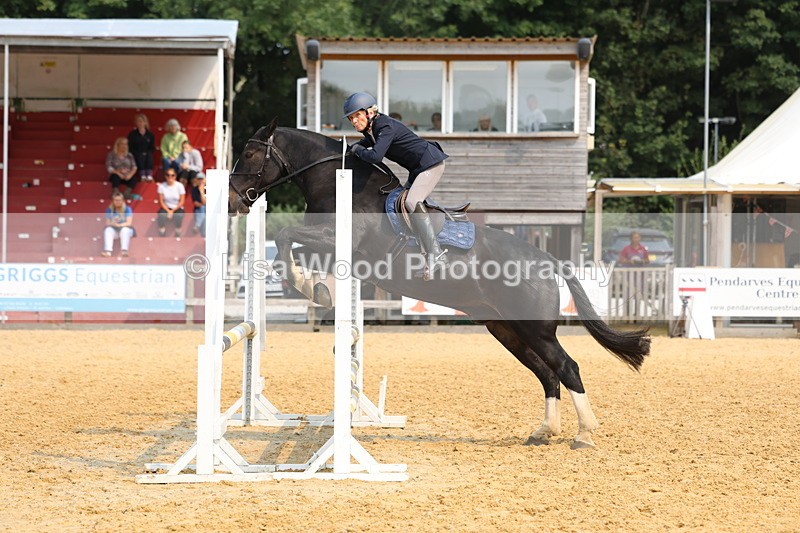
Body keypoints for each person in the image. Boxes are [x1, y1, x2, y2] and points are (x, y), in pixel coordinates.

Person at [344, 92, 449, 279]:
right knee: (398, 205)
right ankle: (423, 254)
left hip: (430, 164)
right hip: (417, 170)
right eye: (351, 118)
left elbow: (375, 156)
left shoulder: (385, 125)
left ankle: (437, 254)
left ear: (369, 113)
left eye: (357, 116)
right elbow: (362, 144)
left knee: (411, 202)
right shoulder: (373, 130)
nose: (354, 121)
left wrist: (358, 150)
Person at [102, 191, 135, 257]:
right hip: (115, 229)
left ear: (122, 200)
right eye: (116, 200)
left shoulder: (127, 209)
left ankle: (124, 251)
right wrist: (113, 223)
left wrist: (119, 225)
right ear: (113, 201)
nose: (118, 202)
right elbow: (107, 223)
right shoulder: (109, 210)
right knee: (108, 230)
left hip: (126, 229)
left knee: (124, 230)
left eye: (119, 200)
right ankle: (108, 251)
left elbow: (129, 223)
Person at [157, 168, 186, 237]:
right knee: (161, 214)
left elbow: (182, 201)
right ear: (165, 176)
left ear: (175, 176)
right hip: (166, 207)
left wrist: (172, 211)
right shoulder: (161, 186)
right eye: (168, 175)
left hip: (177, 207)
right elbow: (161, 201)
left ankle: (178, 229)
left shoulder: (180, 186)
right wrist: (168, 210)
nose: (170, 177)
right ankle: (162, 230)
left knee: (179, 215)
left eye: (172, 175)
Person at [127, 113, 156, 182]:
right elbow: (130, 146)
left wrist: (147, 152)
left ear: (145, 122)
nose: (140, 123)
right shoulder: (132, 134)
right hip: (136, 153)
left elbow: (152, 146)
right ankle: (142, 175)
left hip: (147, 153)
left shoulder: (150, 134)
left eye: (142, 121)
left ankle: (149, 175)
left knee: (148, 155)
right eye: (138, 121)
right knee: (140, 156)